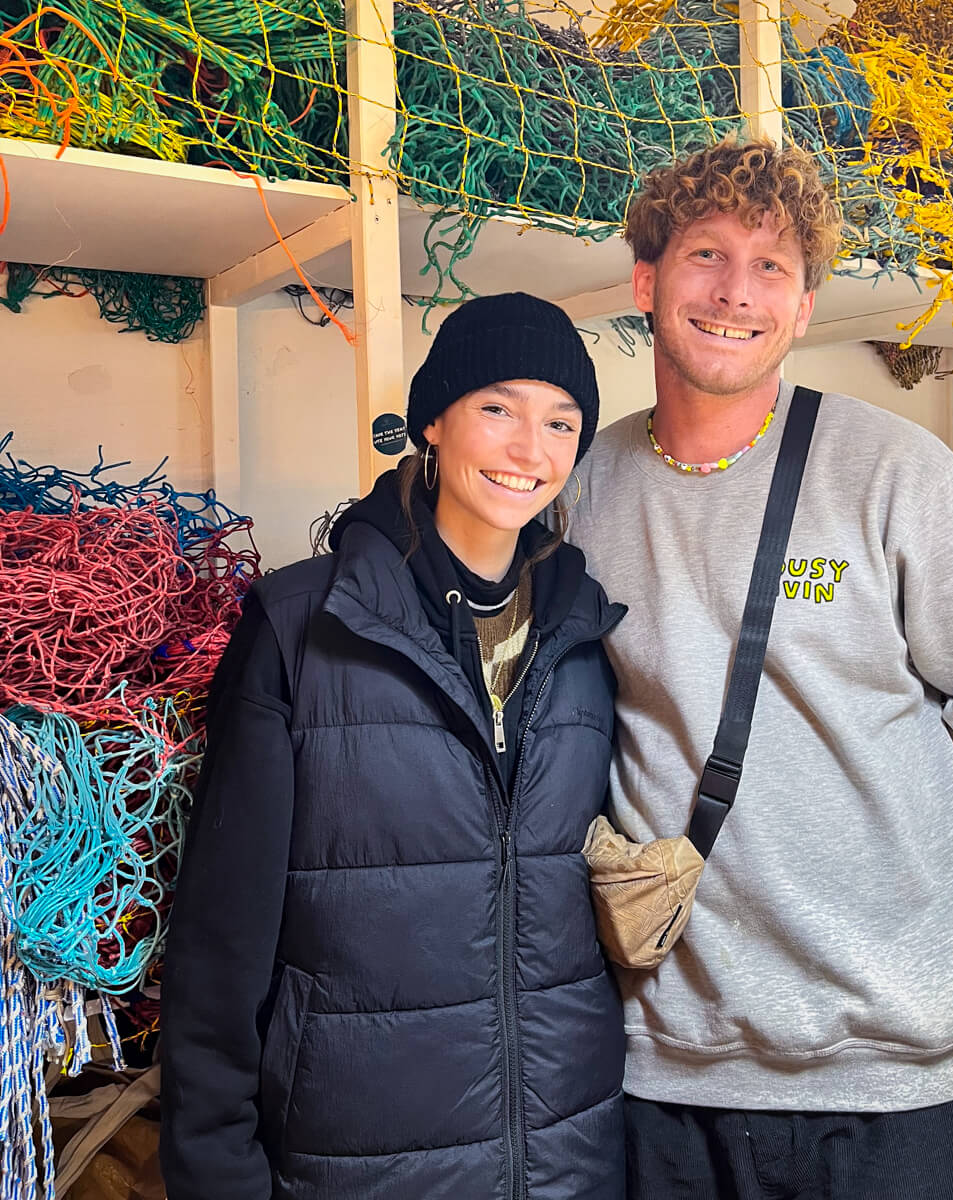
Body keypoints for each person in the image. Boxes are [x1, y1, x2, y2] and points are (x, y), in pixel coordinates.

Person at [569, 136, 953, 1200]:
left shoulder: (892, 472)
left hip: (891, 1072)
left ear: (803, 309)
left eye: (772, 269)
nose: (734, 292)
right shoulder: (587, 486)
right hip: (673, 1065)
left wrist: (879, 825)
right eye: (706, 254)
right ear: (647, 279)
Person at [159, 293, 627, 1200]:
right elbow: (220, 945)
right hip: (359, 1166)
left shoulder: (586, 638)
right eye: (498, 408)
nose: (530, 450)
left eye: (560, 422)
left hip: (569, 1160)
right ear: (433, 424)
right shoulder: (301, 625)